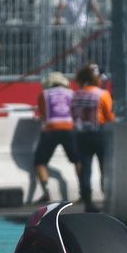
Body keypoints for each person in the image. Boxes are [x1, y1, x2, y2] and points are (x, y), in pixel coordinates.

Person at [72, 63, 115, 211]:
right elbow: (110, 116)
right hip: (99, 134)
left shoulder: (77, 94)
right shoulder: (103, 94)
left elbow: (73, 114)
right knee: (105, 167)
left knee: (86, 168)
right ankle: (107, 197)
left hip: (81, 135)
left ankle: (88, 201)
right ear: (95, 78)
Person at [32, 71, 79, 202]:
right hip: (69, 128)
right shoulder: (72, 93)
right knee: (77, 159)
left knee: (40, 161)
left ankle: (46, 192)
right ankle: (83, 191)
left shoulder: (44, 94)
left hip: (51, 129)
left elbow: (42, 115)